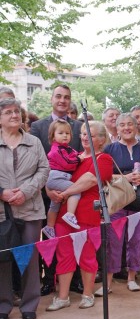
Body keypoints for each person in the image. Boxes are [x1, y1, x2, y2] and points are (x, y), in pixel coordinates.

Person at [45, 121, 113, 311]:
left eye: (90, 135)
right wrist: (50, 191)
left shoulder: (104, 159)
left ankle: (88, 294)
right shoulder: (72, 157)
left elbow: (90, 180)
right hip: (64, 215)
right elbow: (52, 174)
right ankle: (63, 297)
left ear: (101, 139)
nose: (85, 138)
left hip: (86, 214)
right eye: (83, 134)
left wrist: (65, 193)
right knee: (64, 255)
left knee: (87, 256)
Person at [29, 84, 83, 297]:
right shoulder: (38, 127)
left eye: (66, 97)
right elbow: (35, 163)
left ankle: (76, 280)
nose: (62, 100)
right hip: (47, 192)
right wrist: (48, 188)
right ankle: (48, 280)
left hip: (72, 190)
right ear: (52, 99)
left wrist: (72, 191)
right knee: (50, 236)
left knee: (75, 235)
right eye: (58, 96)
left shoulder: (79, 127)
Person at [0, 98, 49, 319]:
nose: (14, 115)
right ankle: (4, 305)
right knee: (4, 259)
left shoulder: (34, 142)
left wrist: (26, 191)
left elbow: (44, 169)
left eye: (17, 111)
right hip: (2, 211)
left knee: (28, 257)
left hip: (30, 208)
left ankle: (29, 304)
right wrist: (2, 192)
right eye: (8, 112)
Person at [98, 113, 140, 295]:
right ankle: (109, 281)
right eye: (122, 125)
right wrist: (125, 178)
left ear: (136, 127)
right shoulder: (110, 149)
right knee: (114, 240)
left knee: (136, 239)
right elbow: (102, 176)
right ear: (117, 128)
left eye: (130, 124)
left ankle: (132, 277)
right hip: (118, 200)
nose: (126, 128)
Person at [41, 120, 82, 239]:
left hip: (59, 178)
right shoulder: (56, 150)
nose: (65, 135)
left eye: (67, 133)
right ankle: (70, 214)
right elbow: (68, 163)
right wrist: (80, 159)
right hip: (57, 177)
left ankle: (49, 227)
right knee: (76, 190)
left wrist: (80, 156)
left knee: (55, 204)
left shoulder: (67, 148)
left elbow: (76, 154)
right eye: (61, 133)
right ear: (53, 136)